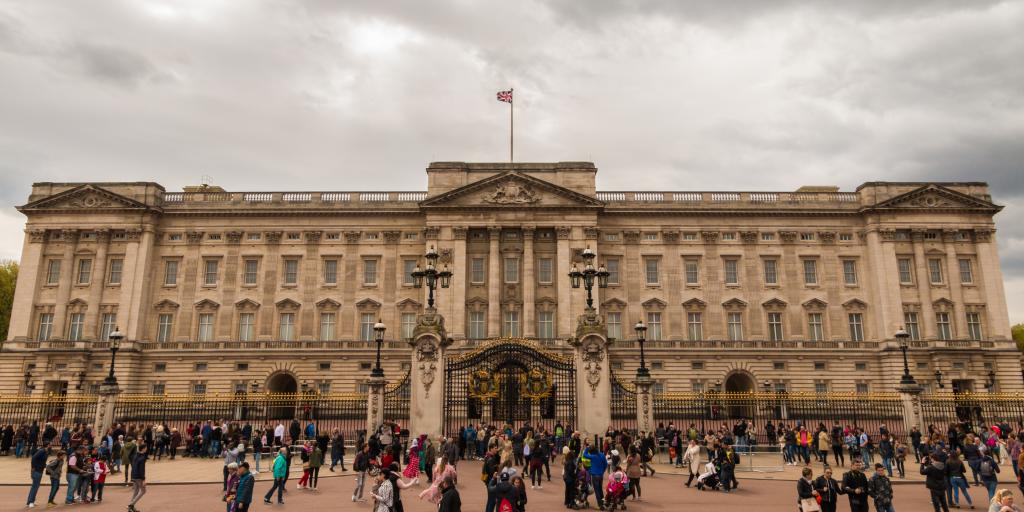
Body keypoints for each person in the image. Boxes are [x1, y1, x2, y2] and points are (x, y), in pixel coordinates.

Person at [583, 444, 608, 510]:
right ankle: (603, 502)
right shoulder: (602, 455)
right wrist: (603, 471)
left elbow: (584, 455)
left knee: (597, 491)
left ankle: (600, 505)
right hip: (600, 474)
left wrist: (587, 448)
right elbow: (606, 464)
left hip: (594, 475)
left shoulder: (592, 456)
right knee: (600, 489)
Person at [128, 443, 148, 512]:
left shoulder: (135, 456)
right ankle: (130, 504)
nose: (146, 449)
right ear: (143, 449)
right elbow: (142, 469)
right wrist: (143, 479)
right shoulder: (142, 458)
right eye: (146, 448)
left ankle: (131, 508)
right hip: (139, 477)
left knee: (136, 491)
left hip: (134, 475)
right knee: (143, 491)